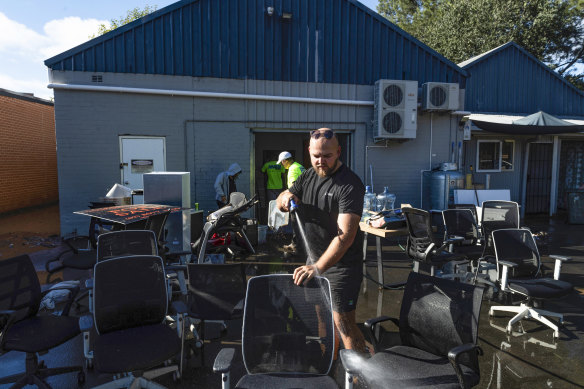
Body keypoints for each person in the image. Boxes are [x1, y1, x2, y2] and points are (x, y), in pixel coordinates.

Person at [276, 128, 369, 354]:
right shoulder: (307, 176)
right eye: (316, 155)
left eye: (327, 156)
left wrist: (317, 268)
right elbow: (281, 199)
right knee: (321, 313)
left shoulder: (349, 185)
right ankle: (329, 356)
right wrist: (285, 198)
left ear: (338, 152)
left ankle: (357, 375)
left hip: (341, 265)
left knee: (343, 321)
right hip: (314, 260)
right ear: (309, 151)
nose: (321, 161)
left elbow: (345, 237)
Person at [277, 151, 305, 252]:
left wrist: (287, 195)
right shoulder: (299, 166)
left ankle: (295, 245)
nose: (281, 164)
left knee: (295, 223)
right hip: (305, 199)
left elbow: (294, 187)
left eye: (282, 162)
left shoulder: (292, 169)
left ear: (285, 161)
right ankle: (303, 245)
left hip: (297, 201)